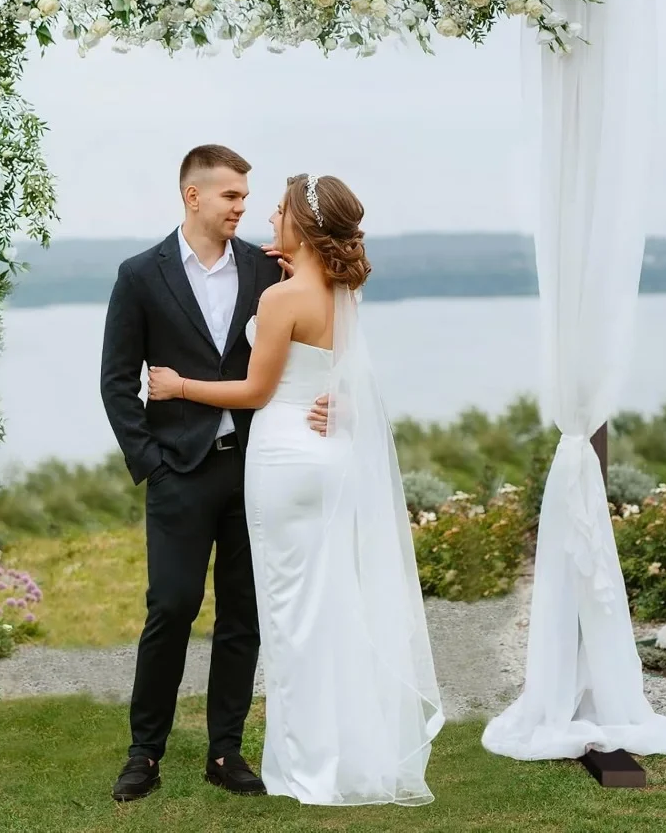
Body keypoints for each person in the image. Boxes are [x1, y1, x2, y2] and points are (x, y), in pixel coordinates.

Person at [148, 173, 444, 806]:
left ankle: (307, 768)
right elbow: (347, 377)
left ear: (301, 226)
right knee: (333, 606)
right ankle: (349, 756)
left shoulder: (282, 300)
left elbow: (256, 392)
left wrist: (179, 388)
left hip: (283, 456)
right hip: (330, 457)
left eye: (278, 211)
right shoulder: (340, 293)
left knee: (288, 616)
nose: (267, 220)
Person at [100, 145, 328, 802]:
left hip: (258, 467)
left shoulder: (267, 270)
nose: (242, 208)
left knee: (244, 614)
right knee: (170, 606)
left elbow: (315, 339)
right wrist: (151, 463)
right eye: (231, 196)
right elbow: (118, 382)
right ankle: (145, 753)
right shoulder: (140, 275)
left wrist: (331, 396)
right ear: (192, 196)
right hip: (179, 472)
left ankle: (225, 752)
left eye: (247, 197)